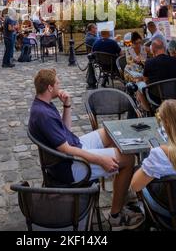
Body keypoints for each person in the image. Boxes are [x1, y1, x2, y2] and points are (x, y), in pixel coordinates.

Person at [29, 69, 144, 231]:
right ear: (49, 88)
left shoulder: (43, 104)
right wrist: (100, 160)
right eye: (57, 83)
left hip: (71, 149)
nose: (60, 85)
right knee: (128, 158)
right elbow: (67, 150)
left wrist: (67, 105)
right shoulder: (43, 115)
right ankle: (116, 216)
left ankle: (122, 188)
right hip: (68, 165)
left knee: (109, 133)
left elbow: (65, 131)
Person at [136, 39, 176, 111]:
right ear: (165, 48)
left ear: (152, 49)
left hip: (157, 98)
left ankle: (149, 112)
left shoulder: (149, 62)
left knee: (138, 86)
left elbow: (146, 81)